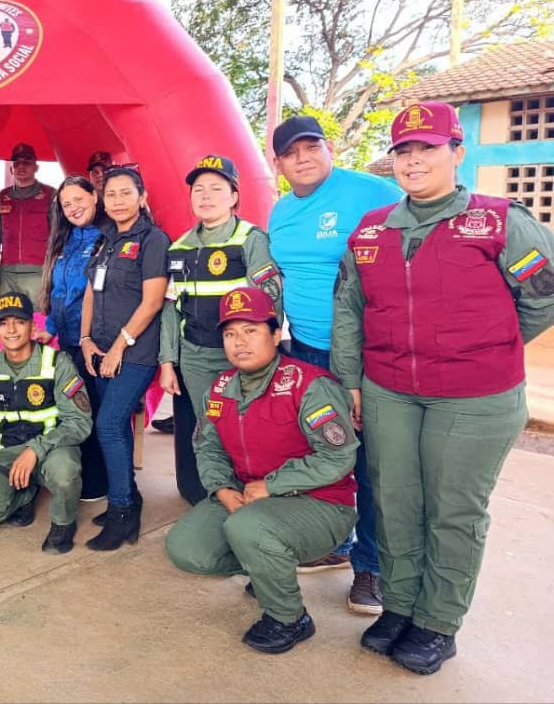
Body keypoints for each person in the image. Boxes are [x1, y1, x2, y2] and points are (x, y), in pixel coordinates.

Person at [331, 101, 554, 674]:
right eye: (403, 151)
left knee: (453, 510)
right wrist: (351, 380)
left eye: (426, 148)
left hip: (475, 396)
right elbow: (349, 308)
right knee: (397, 504)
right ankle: (401, 606)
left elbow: (543, 296)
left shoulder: (500, 219)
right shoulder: (372, 230)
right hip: (388, 390)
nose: (413, 161)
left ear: (457, 152)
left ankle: (438, 621)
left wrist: (488, 343)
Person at [166, 288, 358, 654]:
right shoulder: (220, 389)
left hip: (320, 504)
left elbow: (337, 457)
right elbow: (207, 447)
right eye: (230, 334)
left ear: (274, 334)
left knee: (247, 527)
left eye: (250, 331)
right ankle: (267, 567)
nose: (239, 342)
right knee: (187, 548)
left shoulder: (309, 384)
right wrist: (221, 488)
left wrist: (272, 486)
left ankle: (289, 618)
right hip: (248, 495)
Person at [268, 114, 400, 615]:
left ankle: (371, 565)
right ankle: (337, 544)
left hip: (364, 354)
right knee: (326, 454)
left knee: (371, 463)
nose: (302, 158)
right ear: (277, 163)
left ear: (328, 148)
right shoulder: (280, 212)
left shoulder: (371, 193)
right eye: (291, 152)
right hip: (303, 350)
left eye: (311, 147)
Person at [159, 155, 283, 506]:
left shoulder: (250, 239)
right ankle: (216, 496)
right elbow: (171, 309)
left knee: (249, 427)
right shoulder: (180, 247)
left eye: (217, 188)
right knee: (207, 428)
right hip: (195, 357)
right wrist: (168, 361)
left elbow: (270, 296)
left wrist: (262, 350)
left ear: (234, 196)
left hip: (241, 358)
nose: (206, 196)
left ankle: (258, 500)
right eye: (199, 189)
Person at [80, 166, 169, 550]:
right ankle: (128, 498)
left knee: (110, 425)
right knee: (111, 428)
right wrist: (86, 339)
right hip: (99, 351)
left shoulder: (153, 240)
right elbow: (90, 293)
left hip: (134, 354)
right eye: (110, 194)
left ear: (141, 197)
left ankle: (121, 513)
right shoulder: (105, 241)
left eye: (125, 193)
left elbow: (152, 302)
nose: (117, 201)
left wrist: (119, 346)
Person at [0, 292, 92, 554]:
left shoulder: (57, 363)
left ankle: (63, 522)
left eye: (19, 321)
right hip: (8, 453)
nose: (11, 329)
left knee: (64, 472)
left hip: (53, 448)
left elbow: (79, 423)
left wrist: (35, 449)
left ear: (33, 327)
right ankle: (25, 493)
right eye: (3, 323)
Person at [37, 174, 108, 501]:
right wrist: (49, 329)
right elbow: (61, 293)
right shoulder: (67, 239)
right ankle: (78, 474)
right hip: (67, 341)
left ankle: (98, 482)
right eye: (66, 204)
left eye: (79, 199)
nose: (74, 208)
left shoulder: (107, 237)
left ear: (95, 196)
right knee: (74, 409)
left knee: (92, 409)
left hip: (94, 341)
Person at [0, 143, 55, 299]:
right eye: (16, 163)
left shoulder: (50, 195)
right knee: (8, 318)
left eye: (26, 162)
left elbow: (58, 236)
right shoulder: (2, 198)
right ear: (11, 169)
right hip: (8, 273)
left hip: (39, 271)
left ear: (36, 167)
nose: (21, 166)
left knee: (38, 320)